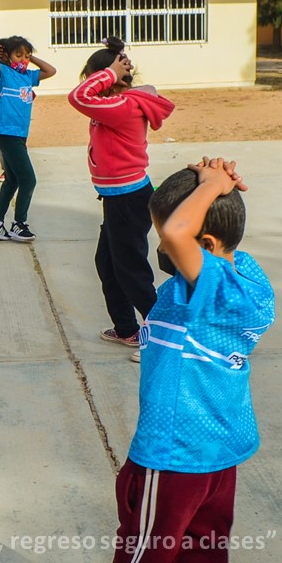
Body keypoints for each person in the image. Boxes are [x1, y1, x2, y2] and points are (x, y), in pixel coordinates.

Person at [101, 157, 274, 563]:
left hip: (173, 457)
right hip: (215, 457)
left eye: (168, 234)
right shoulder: (245, 279)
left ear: (205, 243)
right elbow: (193, 234)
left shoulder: (214, 291)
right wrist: (216, 187)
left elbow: (181, 234)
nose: (164, 243)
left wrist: (214, 187)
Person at [68, 37, 175, 358]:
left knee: (131, 270)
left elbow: (77, 97)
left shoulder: (122, 106)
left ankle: (161, 338)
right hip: (117, 199)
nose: (88, 84)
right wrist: (115, 64)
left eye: (92, 77)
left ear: (108, 79)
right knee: (108, 263)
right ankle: (127, 329)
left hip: (128, 200)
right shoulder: (116, 103)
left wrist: (111, 71)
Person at [0, 36, 56, 242]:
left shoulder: (28, 76)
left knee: (13, 180)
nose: (23, 59)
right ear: (7, 55)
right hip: (8, 134)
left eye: (26, 55)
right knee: (29, 180)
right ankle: (19, 224)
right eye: (19, 55)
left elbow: (51, 71)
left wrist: (31, 59)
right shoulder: (4, 73)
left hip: (19, 136)